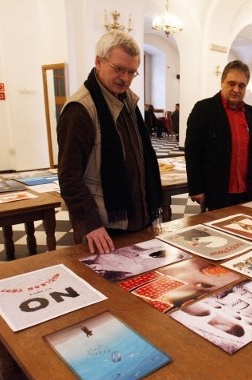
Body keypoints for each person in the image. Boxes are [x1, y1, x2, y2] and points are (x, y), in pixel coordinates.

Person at [57, 30, 162, 255]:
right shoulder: (80, 110)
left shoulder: (128, 102)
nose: (125, 78)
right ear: (98, 62)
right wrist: (91, 224)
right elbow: (68, 177)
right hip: (105, 226)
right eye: (119, 69)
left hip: (136, 218)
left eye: (132, 72)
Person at [185, 60, 252, 210]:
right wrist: (196, 187)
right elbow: (193, 151)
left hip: (246, 191)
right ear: (222, 82)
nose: (236, 89)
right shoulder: (204, 109)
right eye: (231, 83)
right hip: (216, 190)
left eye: (241, 85)